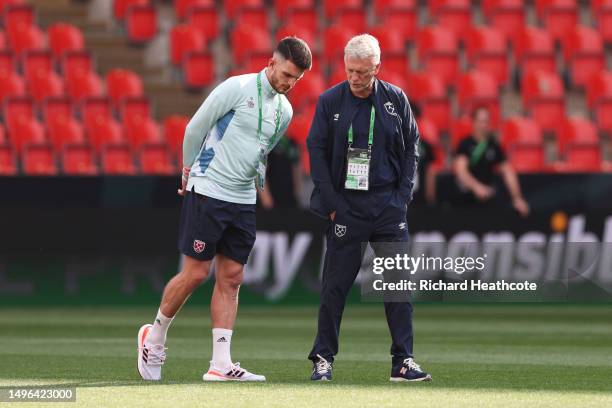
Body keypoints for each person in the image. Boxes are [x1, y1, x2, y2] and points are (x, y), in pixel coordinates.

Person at [137, 37, 312, 382]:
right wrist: (188, 171)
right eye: (287, 74)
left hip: (243, 198)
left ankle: (220, 364)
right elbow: (195, 128)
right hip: (209, 189)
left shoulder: (285, 111)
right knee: (197, 273)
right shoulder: (237, 87)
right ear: (272, 62)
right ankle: (153, 336)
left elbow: (265, 149)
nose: (289, 83)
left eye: (297, 79)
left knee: (232, 278)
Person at [306, 34, 431, 382]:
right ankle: (323, 358)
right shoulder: (330, 101)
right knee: (335, 286)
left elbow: (412, 148)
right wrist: (331, 203)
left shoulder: (396, 99)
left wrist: (402, 196)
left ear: (377, 67)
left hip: (388, 204)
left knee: (397, 286)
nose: (355, 78)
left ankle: (403, 361)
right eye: (350, 70)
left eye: (362, 72)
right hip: (346, 205)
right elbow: (315, 149)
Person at [453, 106, 530, 217]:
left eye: (486, 121)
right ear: (474, 122)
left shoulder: (494, 146)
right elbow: (461, 171)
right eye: (481, 121)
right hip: (467, 198)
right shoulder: (465, 144)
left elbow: (508, 172)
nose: (484, 125)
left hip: (487, 198)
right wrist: (477, 188)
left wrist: (517, 198)